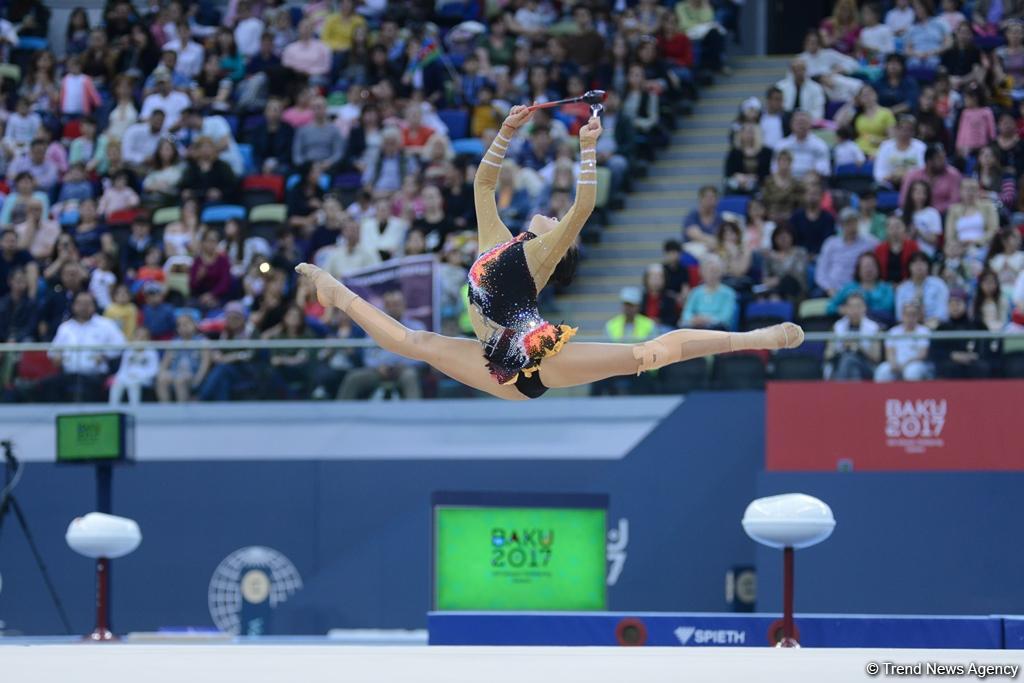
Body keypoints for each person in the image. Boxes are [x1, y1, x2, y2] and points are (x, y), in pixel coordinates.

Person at [298, 107, 804, 401]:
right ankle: (338, 293)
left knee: (643, 355)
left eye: (557, 223)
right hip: (494, 363)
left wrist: (588, 146)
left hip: (537, 357)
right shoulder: (497, 241)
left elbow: (584, 203)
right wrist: (507, 131)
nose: (549, 214)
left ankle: (750, 338)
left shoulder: (538, 257)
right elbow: (483, 183)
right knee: (416, 342)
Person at [45, 291, 126, 402]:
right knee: (48, 385)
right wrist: (57, 356)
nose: (84, 307)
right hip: (69, 374)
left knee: (83, 388)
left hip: (94, 375)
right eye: (80, 304)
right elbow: (52, 351)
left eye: (88, 304)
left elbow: (121, 345)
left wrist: (105, 355)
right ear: (73, 306)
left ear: (94, 306)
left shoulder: (106, 325)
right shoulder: (65, 327)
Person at [816, 207, 879, 297]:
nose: (852, 226)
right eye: (848, 223)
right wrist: (829, 288)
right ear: (841, 226)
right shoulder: (830, 243)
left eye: (854, 222)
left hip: (859, 289)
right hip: (833, 288)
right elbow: (821, 273)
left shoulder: (869, 242)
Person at [931, 287, 992, 378]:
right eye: (951, 304)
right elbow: (935, 351)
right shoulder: (942, 328)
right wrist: (952, 355)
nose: (955, 307)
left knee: (981, 367)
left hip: (974, 362)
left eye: (958, 303)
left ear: (965, 304)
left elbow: (988, 345)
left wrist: (974, 355)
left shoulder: (977, 325)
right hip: (951, 364)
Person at [825, 292, 882, 380]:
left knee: (849, 360)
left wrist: (859, 348)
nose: (855, 310)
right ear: (846, 309)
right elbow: (828, 355)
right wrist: (843, 347)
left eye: (858, 306)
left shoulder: (873, 327)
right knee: (850, 365)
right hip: (840, 362)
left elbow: (876, 357)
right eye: (851, 307)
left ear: (865, 308)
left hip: (866, 365)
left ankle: (840, 391)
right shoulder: (837, 326)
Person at [156, 313, 211, 402]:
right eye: (179, 325)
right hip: (176, 372)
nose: (182, 327)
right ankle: (165, 411)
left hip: (192, 374)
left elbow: (205, 364)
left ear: (194, 325)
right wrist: (161, 374)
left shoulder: (202, 341)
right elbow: (164, 364)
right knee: (162, 378)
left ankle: (181, 412)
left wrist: (197, 381)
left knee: (180, 379)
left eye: (185, 324)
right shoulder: (174, 343)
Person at [874, 300, 934, 382]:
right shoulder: (893, 331)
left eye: (913, 315)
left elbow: (922, 354)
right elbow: (890, 351)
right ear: (902, 316)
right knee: (882, 371)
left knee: (912, 372)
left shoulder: (923, 331)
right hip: (896, 363)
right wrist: (893, 363)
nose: (910, 318)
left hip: (915, 363)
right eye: (907, 315)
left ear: (917, 316)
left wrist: (906, 364)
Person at [829, 252, 896, 322]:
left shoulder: (886, 288)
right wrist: (842, 310)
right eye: (865, 266)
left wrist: (860, 310)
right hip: (852, 327)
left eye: (871, 266)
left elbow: (887, 310)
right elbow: (830, 307)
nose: (868, 270)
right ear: (858, 269)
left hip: (881, 327)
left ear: (878, 268)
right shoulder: (849, 287)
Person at [899, 144, 962, 212]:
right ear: (929, 161)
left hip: (944, 214)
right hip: (915, 212)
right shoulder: (913, 175)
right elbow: (903, 200)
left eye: (944, 158)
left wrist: (932, 211)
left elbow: (955, 201)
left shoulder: (953, 175)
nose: (944, 162)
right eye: (940, 159)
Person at [895, 251, 950, 327]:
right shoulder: (902, 288)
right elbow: (899, 315)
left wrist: (933, 321)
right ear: (909, 267)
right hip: (909, 326)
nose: (919, 265)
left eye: (922, 262)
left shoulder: (939, 284)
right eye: (915, 262)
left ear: (928, 266)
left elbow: (943, 310)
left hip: (936, 325)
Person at [109, 327, 160, 405]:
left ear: (148, 339)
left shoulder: (151, 352)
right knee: (116, 384)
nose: (139, 339)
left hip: (144, 379)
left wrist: (139, 376)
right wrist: (118, 378)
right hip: (127, 377)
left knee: (133, 384)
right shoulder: (128, 351)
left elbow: (154, 370)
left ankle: (134, 410)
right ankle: (112, 409)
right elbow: (122, 369)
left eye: (143, 337)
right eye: (137, 336)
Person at [774, 111, 831, 180]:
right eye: (798, 123)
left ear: (810, 124)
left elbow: (824, 169)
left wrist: (809, 176)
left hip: (810, 182)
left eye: (804, 122)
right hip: (787, 181)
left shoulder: (820, 145)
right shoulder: (781, 145)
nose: (801, 125)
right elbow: (774, 168)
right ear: (791, 124)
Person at [873, 115, 926, 188]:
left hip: (914, 186)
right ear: (896, 129)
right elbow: (879, 173)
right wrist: (892, 176)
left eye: (909, 129)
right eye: (902, 129)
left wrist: (907, 175)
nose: (905, 132)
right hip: (889, 184)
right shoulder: (885, 146)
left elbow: (923, 170)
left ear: (914, 132)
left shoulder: (920, 147)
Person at [901, 180, 943, 257]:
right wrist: (910, 235)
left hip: (926, 253)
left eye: (923, 192)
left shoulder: (932, 213)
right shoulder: (900, 213)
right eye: (917, 192)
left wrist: (919, 232)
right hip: (906, 254)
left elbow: (935, 240)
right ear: (910, 194)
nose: (920, 195)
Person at [874, 215, 921, 283]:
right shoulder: (879, 249)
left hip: (909, 284)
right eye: (891, 227)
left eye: (898, 227)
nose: (895, 230)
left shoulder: (913, 246)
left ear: (904, 228)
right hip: (886, 286)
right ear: (886, 230)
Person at [682, 185, 723, 250]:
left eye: (713, 198)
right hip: (695, 251)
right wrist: (712, 241)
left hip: (714, 250)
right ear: (700, 199)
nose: (710, 201)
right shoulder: (692, 216)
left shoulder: (719, 218)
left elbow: (723, 237)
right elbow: (695, 235)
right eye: (708, 198)